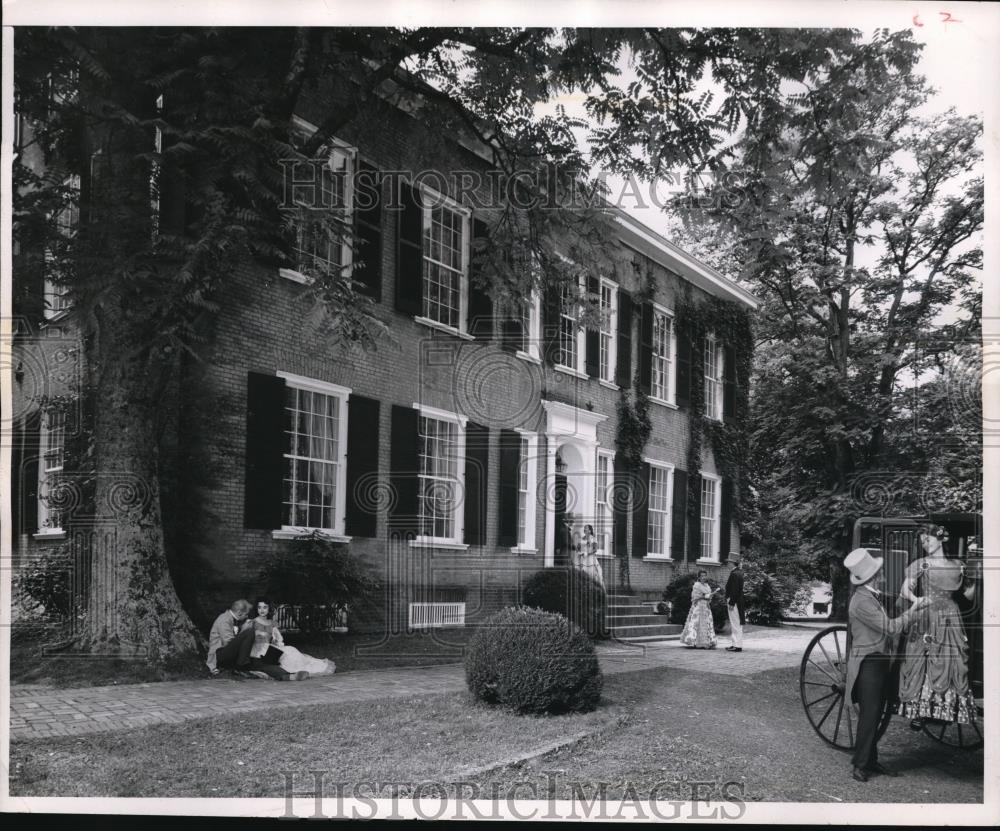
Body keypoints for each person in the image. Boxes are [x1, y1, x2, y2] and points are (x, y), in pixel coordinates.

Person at [843, 547, 927, 783]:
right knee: (870, 715)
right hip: (868, 663)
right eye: (879, 573)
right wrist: (913, 609)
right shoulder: (861, 602)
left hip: (879, 662)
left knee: (877, 712)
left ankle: (870, 760)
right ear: (871, 577)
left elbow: (888, 625)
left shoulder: (870, 596)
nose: (883, 576)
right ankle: (859, 765)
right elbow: (890, 628)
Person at [895, 525, 978, 727]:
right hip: (928, 615)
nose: (925, 544)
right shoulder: (921, 564)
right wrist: (917, 598)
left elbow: (969, 595)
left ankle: (945, 710)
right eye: (922, 541)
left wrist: (977, 576)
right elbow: (904, 590)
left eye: (928, 539)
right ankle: (921, 712)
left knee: (951, 660)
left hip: (951, 616)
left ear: (941, 539)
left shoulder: (958, 565)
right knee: (925, 657)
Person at [246, 597, 309, 681]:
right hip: (255, 653)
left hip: (269, 651)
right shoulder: (251, 623)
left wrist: (275, 641)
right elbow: (244, 640)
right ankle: (290, 676)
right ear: (256, 609)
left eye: (265, 607)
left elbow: (279, 639)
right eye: (259, 607)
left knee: (288, 654)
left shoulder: (272, 623)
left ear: (269, 609)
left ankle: (294, 672)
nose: (262, 610)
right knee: (262, 665)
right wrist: (256, 634)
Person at [206, 598, 254, 676]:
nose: (247, 617)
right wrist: (244, 630)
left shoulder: (233, 619)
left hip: (225, 652)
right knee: (249, 632)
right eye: (246, 614)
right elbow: (228, 642)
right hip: (218, 655)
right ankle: (240, 667)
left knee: (249, 631)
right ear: (239, 612)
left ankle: (242, 665)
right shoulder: (224, 619)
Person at [679, 570, 719, 649]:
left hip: (706, 606)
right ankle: (696, 642)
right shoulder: (697, 585)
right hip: (699, 606)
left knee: (707, 623)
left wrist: (711, 595)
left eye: (705, 576)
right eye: (702, 576)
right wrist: (705, 596)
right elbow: (695, 597)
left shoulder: (707, 586)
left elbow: (709, 597)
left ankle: (707, 641)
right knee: (697, 623)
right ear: (699, 577)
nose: (704, 577)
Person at [724, 559, 745, 652]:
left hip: (734, 601)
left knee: (736, 623)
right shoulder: (738, 572)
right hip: (737, 601)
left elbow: (735, 590)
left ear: (732, 563)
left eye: (728, 562)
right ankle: (735, 644)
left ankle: (737, 645)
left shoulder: (735, 574)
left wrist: (731, 602)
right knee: (736, 623)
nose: (727, 564)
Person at [576, 524, 605, 589]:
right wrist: (579, 552)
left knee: (593, 574)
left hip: (590, 558)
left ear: (589, 530)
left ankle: (595, 589)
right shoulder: (582, 538)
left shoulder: (593, 538)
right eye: (584, 528)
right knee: (582, 574)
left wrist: (587, 553)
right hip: (582, 558)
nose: (584, 529)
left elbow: (595, 549)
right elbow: (577, 548)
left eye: (586, 528)